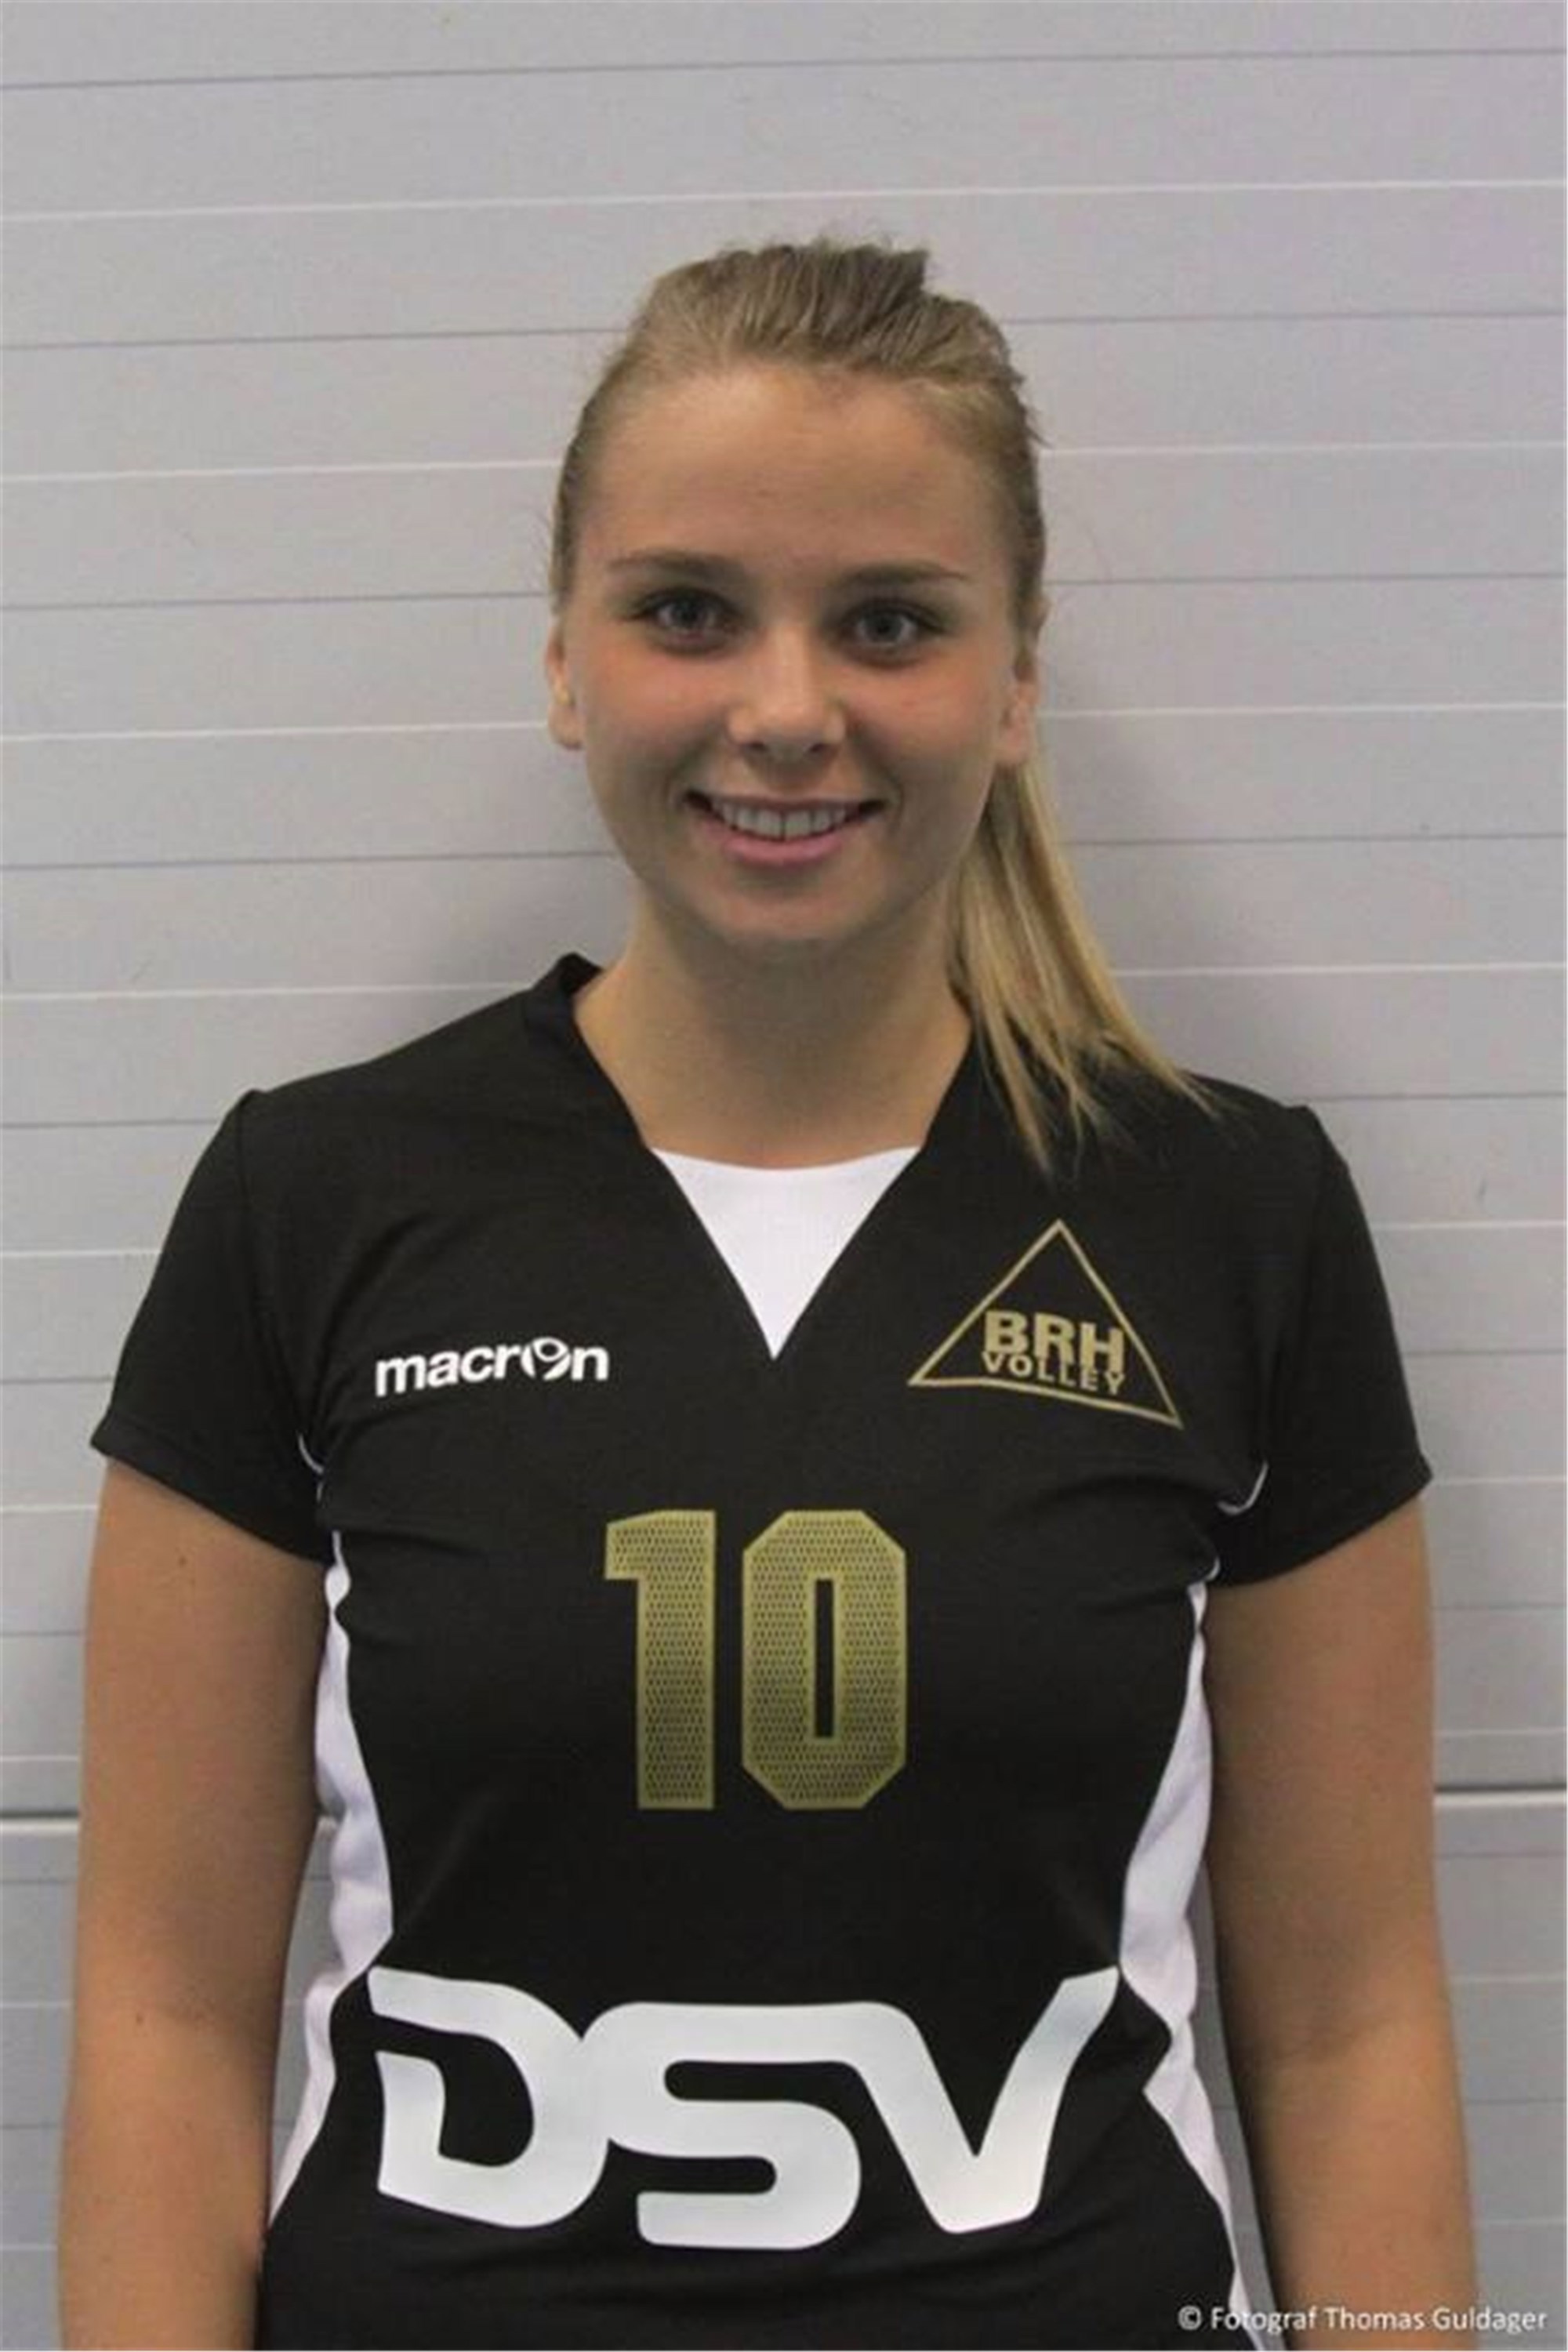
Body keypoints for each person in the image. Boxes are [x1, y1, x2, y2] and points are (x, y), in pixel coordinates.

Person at [60, 234, 1478, 2350]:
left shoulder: (1230, 1216)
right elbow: (165, 2009)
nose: (788, 710)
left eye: (889, 621)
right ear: (566, 660)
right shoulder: (316, 1200)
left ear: (1014, 683)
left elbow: (1351, 2022)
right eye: (689, 612)